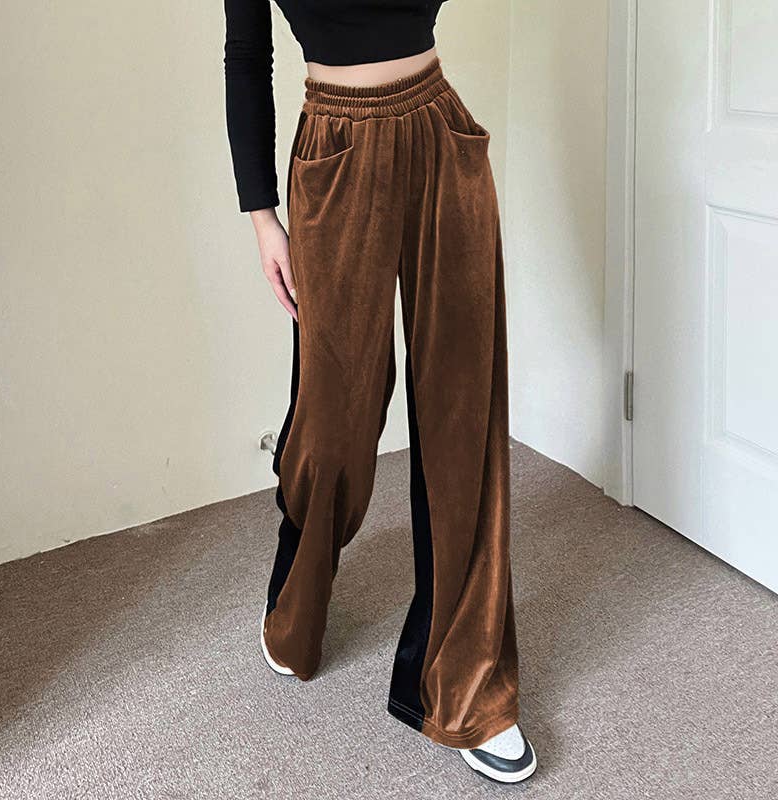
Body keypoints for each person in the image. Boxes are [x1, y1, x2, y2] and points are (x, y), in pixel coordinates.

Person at [223, 0, 537, 784]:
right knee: (335, 414)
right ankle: (298, 588)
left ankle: (464, 681)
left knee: (463, 405)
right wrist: (262, 217)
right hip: (333, 147)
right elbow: (246, 56)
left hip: (437, 131)